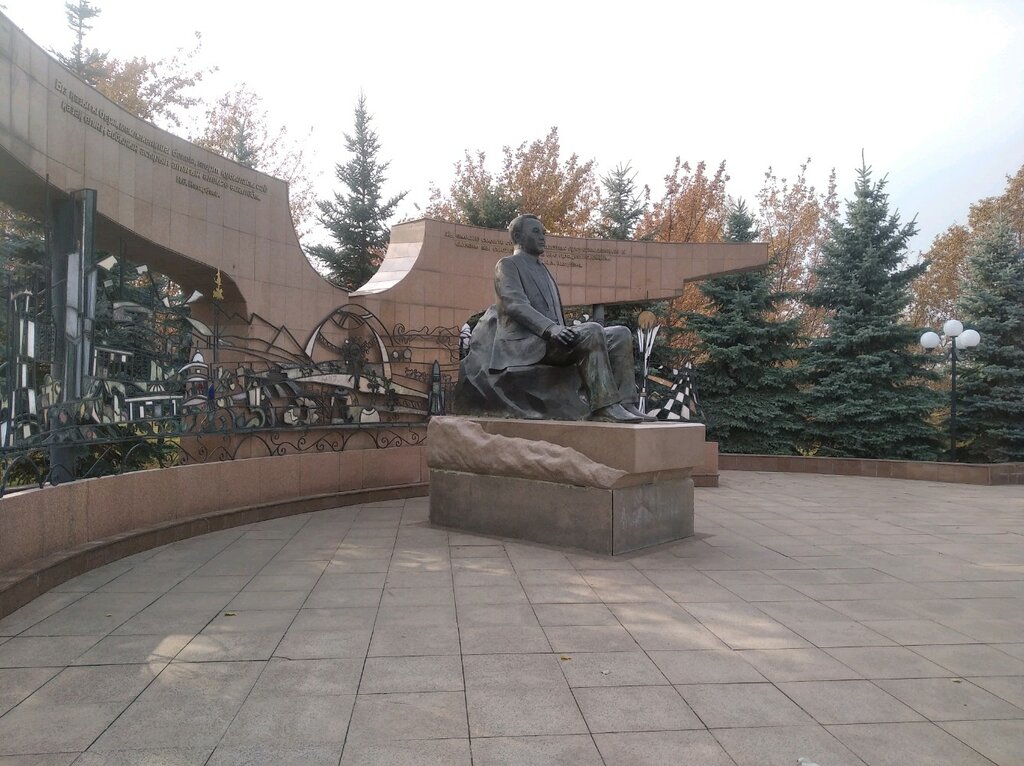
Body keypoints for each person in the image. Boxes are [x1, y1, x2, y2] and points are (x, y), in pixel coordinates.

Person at [485, 214, 650, 423]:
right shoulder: (507, 265)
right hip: (526, 344)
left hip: (551, 340)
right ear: (517, 235)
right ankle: (604, 406)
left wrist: (558, 330)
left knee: (620, 334)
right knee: (591, 330)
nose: (543, 236)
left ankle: (626, 401)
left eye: (544, 232)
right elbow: (515, 304)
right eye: (536, 231)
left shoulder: (542, 268)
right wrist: (551, 329)